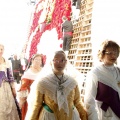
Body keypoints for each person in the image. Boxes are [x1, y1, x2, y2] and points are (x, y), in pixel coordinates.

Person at [25, 50, 88, 120]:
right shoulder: (43, 83)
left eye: (62, 60)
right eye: (56, 60)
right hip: (49, 117)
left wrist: (85, 117)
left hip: (71, 116)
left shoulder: (72, 82)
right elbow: (37, 105)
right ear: (51, 62)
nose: (59, 63)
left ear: (66, 62)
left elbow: (78, 102)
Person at [84, 39, 120, 120]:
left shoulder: (118, 70)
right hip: (104, 115)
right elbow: (89, 99)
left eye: (115, 52)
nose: (113, 55)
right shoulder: (95, 73)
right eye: (110, 53)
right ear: (102, 54)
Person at [18, 53, 44, 120]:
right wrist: (21, 101)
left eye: (39, 60)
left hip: (42, 98)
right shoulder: (28, 73)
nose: (38, 61)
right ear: (32, 60)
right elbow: (23, 88)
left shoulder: (44, 72)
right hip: (30, 99)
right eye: (36, 59)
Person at [0, 43, 20, 120]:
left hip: (6, 87)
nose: (0, 51)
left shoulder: (7, 62)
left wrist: (13, 88)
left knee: (9, 106)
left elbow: (10, 76)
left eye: (1, 49)